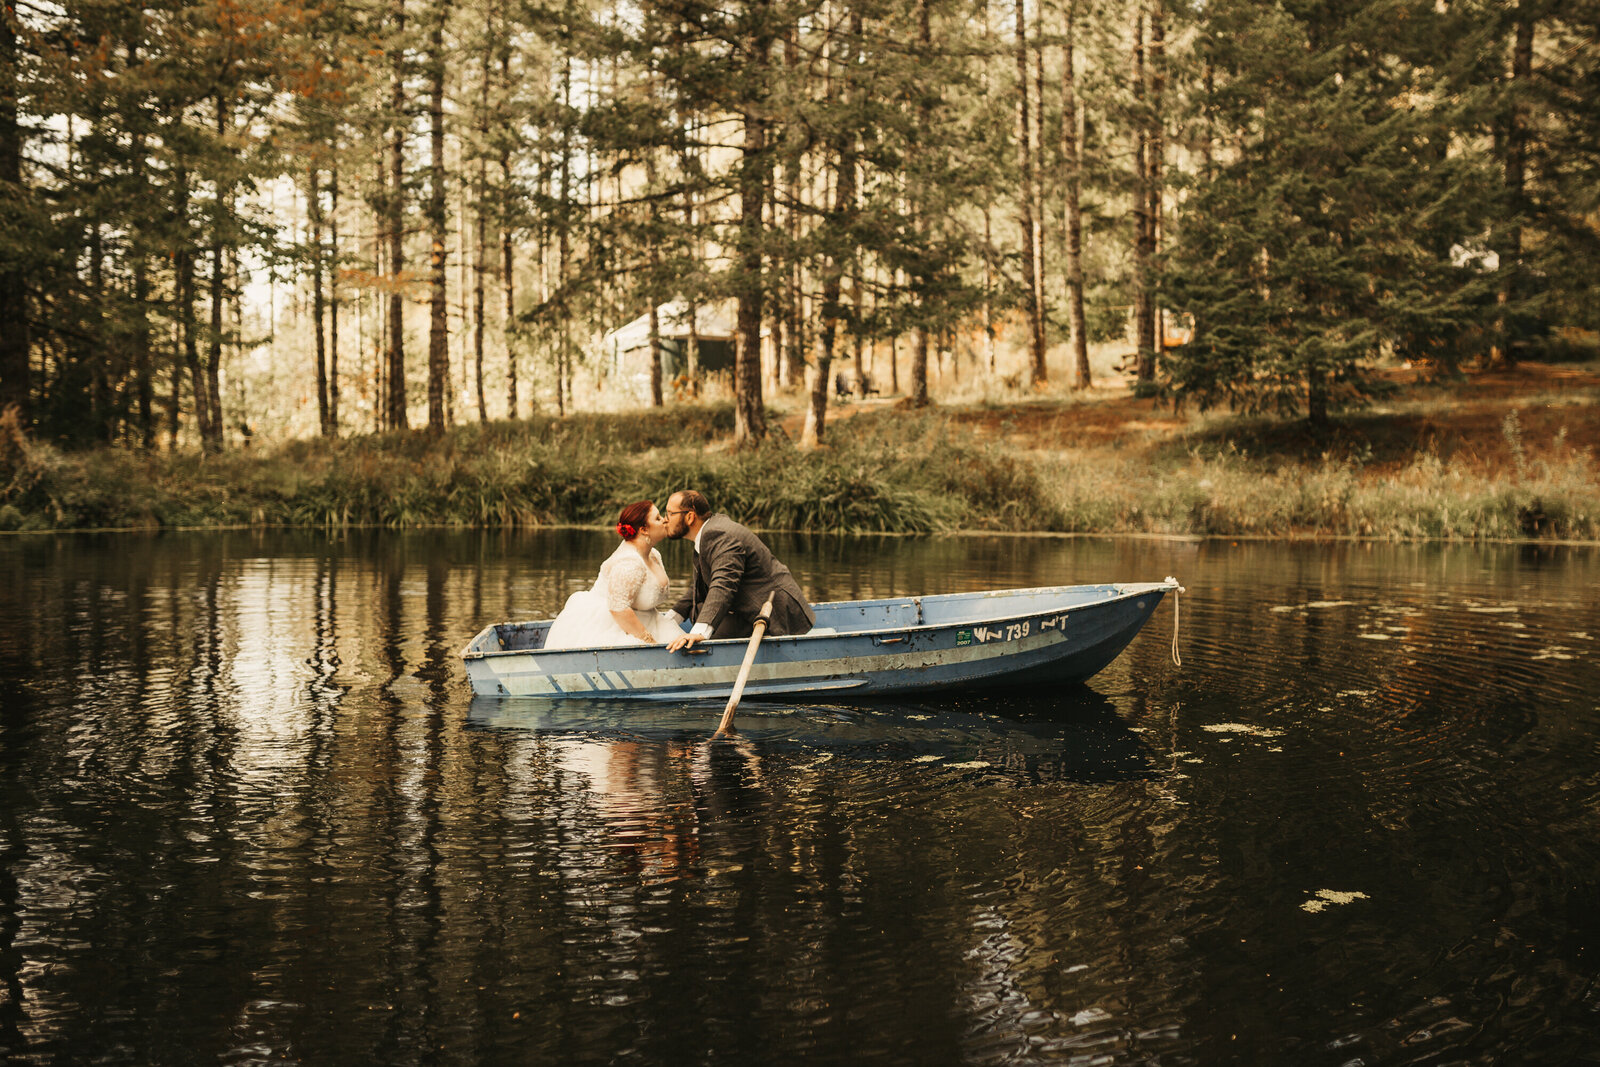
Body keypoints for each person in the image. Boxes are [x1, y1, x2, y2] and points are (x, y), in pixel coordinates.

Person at [662, 490, 815, 653]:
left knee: (700, 640)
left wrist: (699, 633)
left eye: (670, 513)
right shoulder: (710, 531)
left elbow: (723, 584)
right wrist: (669, 620)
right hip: (751, 607)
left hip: (774, 612)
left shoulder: (718, 535)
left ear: (690, 517)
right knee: (695, 610)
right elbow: (701, 585)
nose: (665, 520)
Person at [543, 501, 684, 650]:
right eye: (657, 518)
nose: (664, 520)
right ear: (644, 530)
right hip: (613, 624)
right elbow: (618, 609)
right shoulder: (629, 562)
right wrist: (650, 642)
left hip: (648, 619)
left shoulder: (654, 555)